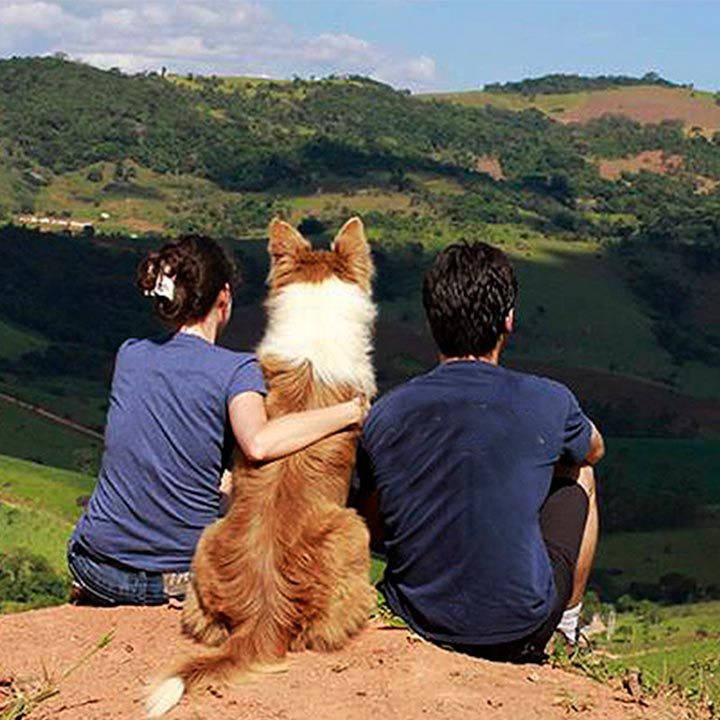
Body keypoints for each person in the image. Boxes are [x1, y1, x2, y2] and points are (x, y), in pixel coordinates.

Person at [68, 234, 366, 606]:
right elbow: (259, 443)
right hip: (182, 574)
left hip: (94, 568)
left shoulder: (130, 355)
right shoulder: (236, 370)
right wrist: (348, 411)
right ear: (223, 298)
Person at [353, 241, 604, 662]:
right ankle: (565, 629)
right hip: (521, 626)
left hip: (418, 615)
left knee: (378, 481)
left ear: (432, 321)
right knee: (581, 475)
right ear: (508, 320)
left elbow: (362, 510)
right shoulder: (548, 399)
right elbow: (594, 450)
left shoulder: (386, 411)